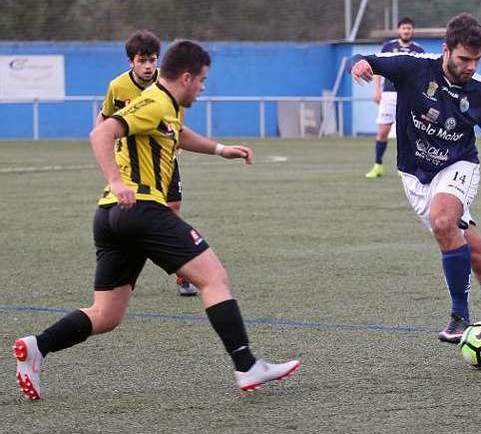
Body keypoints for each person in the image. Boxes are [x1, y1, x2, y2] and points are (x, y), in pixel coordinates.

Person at [14, 40, 300, 400]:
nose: (203, 87)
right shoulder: (152, 102)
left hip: (110, 217)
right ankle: (246, 365)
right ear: (185, 77)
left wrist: (220, 150)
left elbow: (176, 133)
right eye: (202, 80)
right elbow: (101, 132)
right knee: (214, 278)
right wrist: (117, 181)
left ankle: (37, 347)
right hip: (142, 209)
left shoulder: (165, 105)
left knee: (106, 314)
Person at [351, 13, 481, 361]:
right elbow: (369, 60)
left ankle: (460, 317)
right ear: (446, 50)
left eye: (477, 60)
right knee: (479, 256)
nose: (471, 67)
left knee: (444, 220)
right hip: (415, 178)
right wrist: (360, 66)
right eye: (464, 59)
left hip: (459, 166)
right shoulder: (414, 68)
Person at [97, 29, 197, 297]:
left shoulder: (167, 84)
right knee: (131, 214)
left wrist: (176, 140)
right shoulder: (117, 87)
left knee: (173, 207)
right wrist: (107, 148)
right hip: (130, 163)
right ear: (131, 61)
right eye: (142, 60)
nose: (148, 66)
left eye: (153, 59)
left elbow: (176, 121)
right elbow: (105, 119)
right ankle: (123, 274)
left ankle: (182, 272)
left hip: (163, 156)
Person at [364, 17, 425, 179]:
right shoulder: (388, 47)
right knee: (383, 131)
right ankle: (378, 166)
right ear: (399, 30)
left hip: (409, 95)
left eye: (409, 28)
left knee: (409, 131)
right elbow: (377, 69)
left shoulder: (418, 50)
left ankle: (405, 166)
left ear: (413, 30)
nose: (406, 31)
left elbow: (423, 76)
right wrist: (376, 90)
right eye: (404, 28)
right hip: (389, 94)